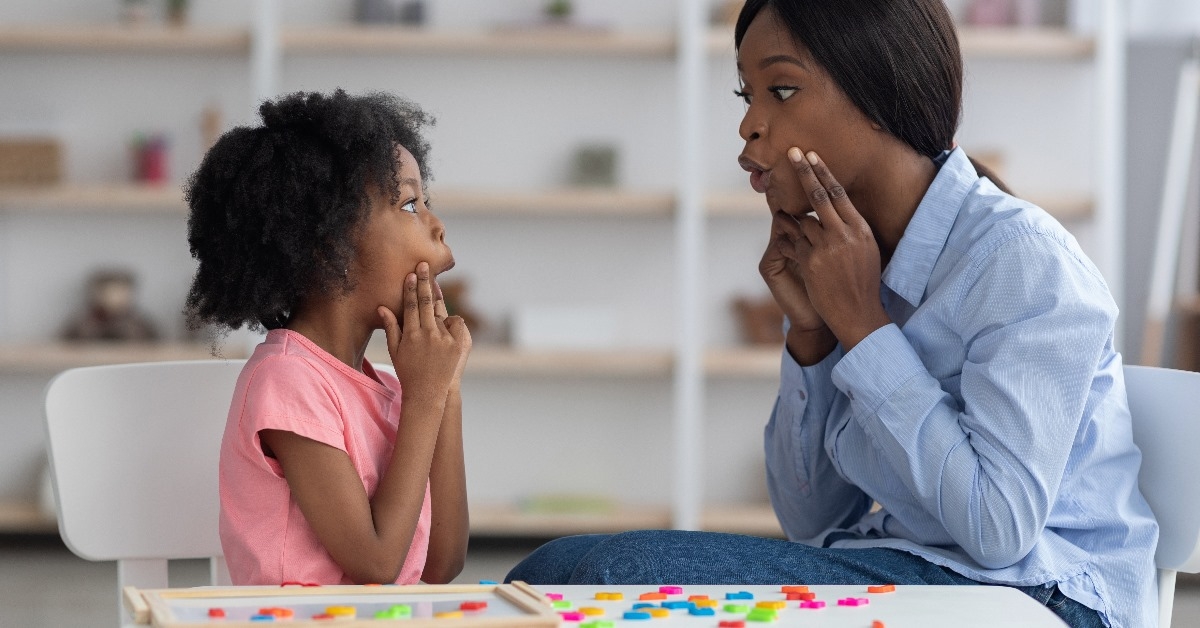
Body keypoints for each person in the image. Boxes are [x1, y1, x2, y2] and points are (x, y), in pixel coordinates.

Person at [505, 2, 1157, 626]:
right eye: (746, 96)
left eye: (781, 91)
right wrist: (814, 338)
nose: (748, 127)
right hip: (915, 572)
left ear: (881, 93)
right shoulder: (854, 258)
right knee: (553, 569)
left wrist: (865, 329)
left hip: (1044, 598)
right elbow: (811, 520)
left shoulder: (1022, 260)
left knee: (616, 573)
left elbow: (997, 530)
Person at [185, 89, 471, 586]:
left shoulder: (391, 384)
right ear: (329, 245)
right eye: (408, 204)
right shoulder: (287, 379)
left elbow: (442, 563)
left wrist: (445, 389)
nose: (437, 225)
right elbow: (376, 564)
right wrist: (425, 396)